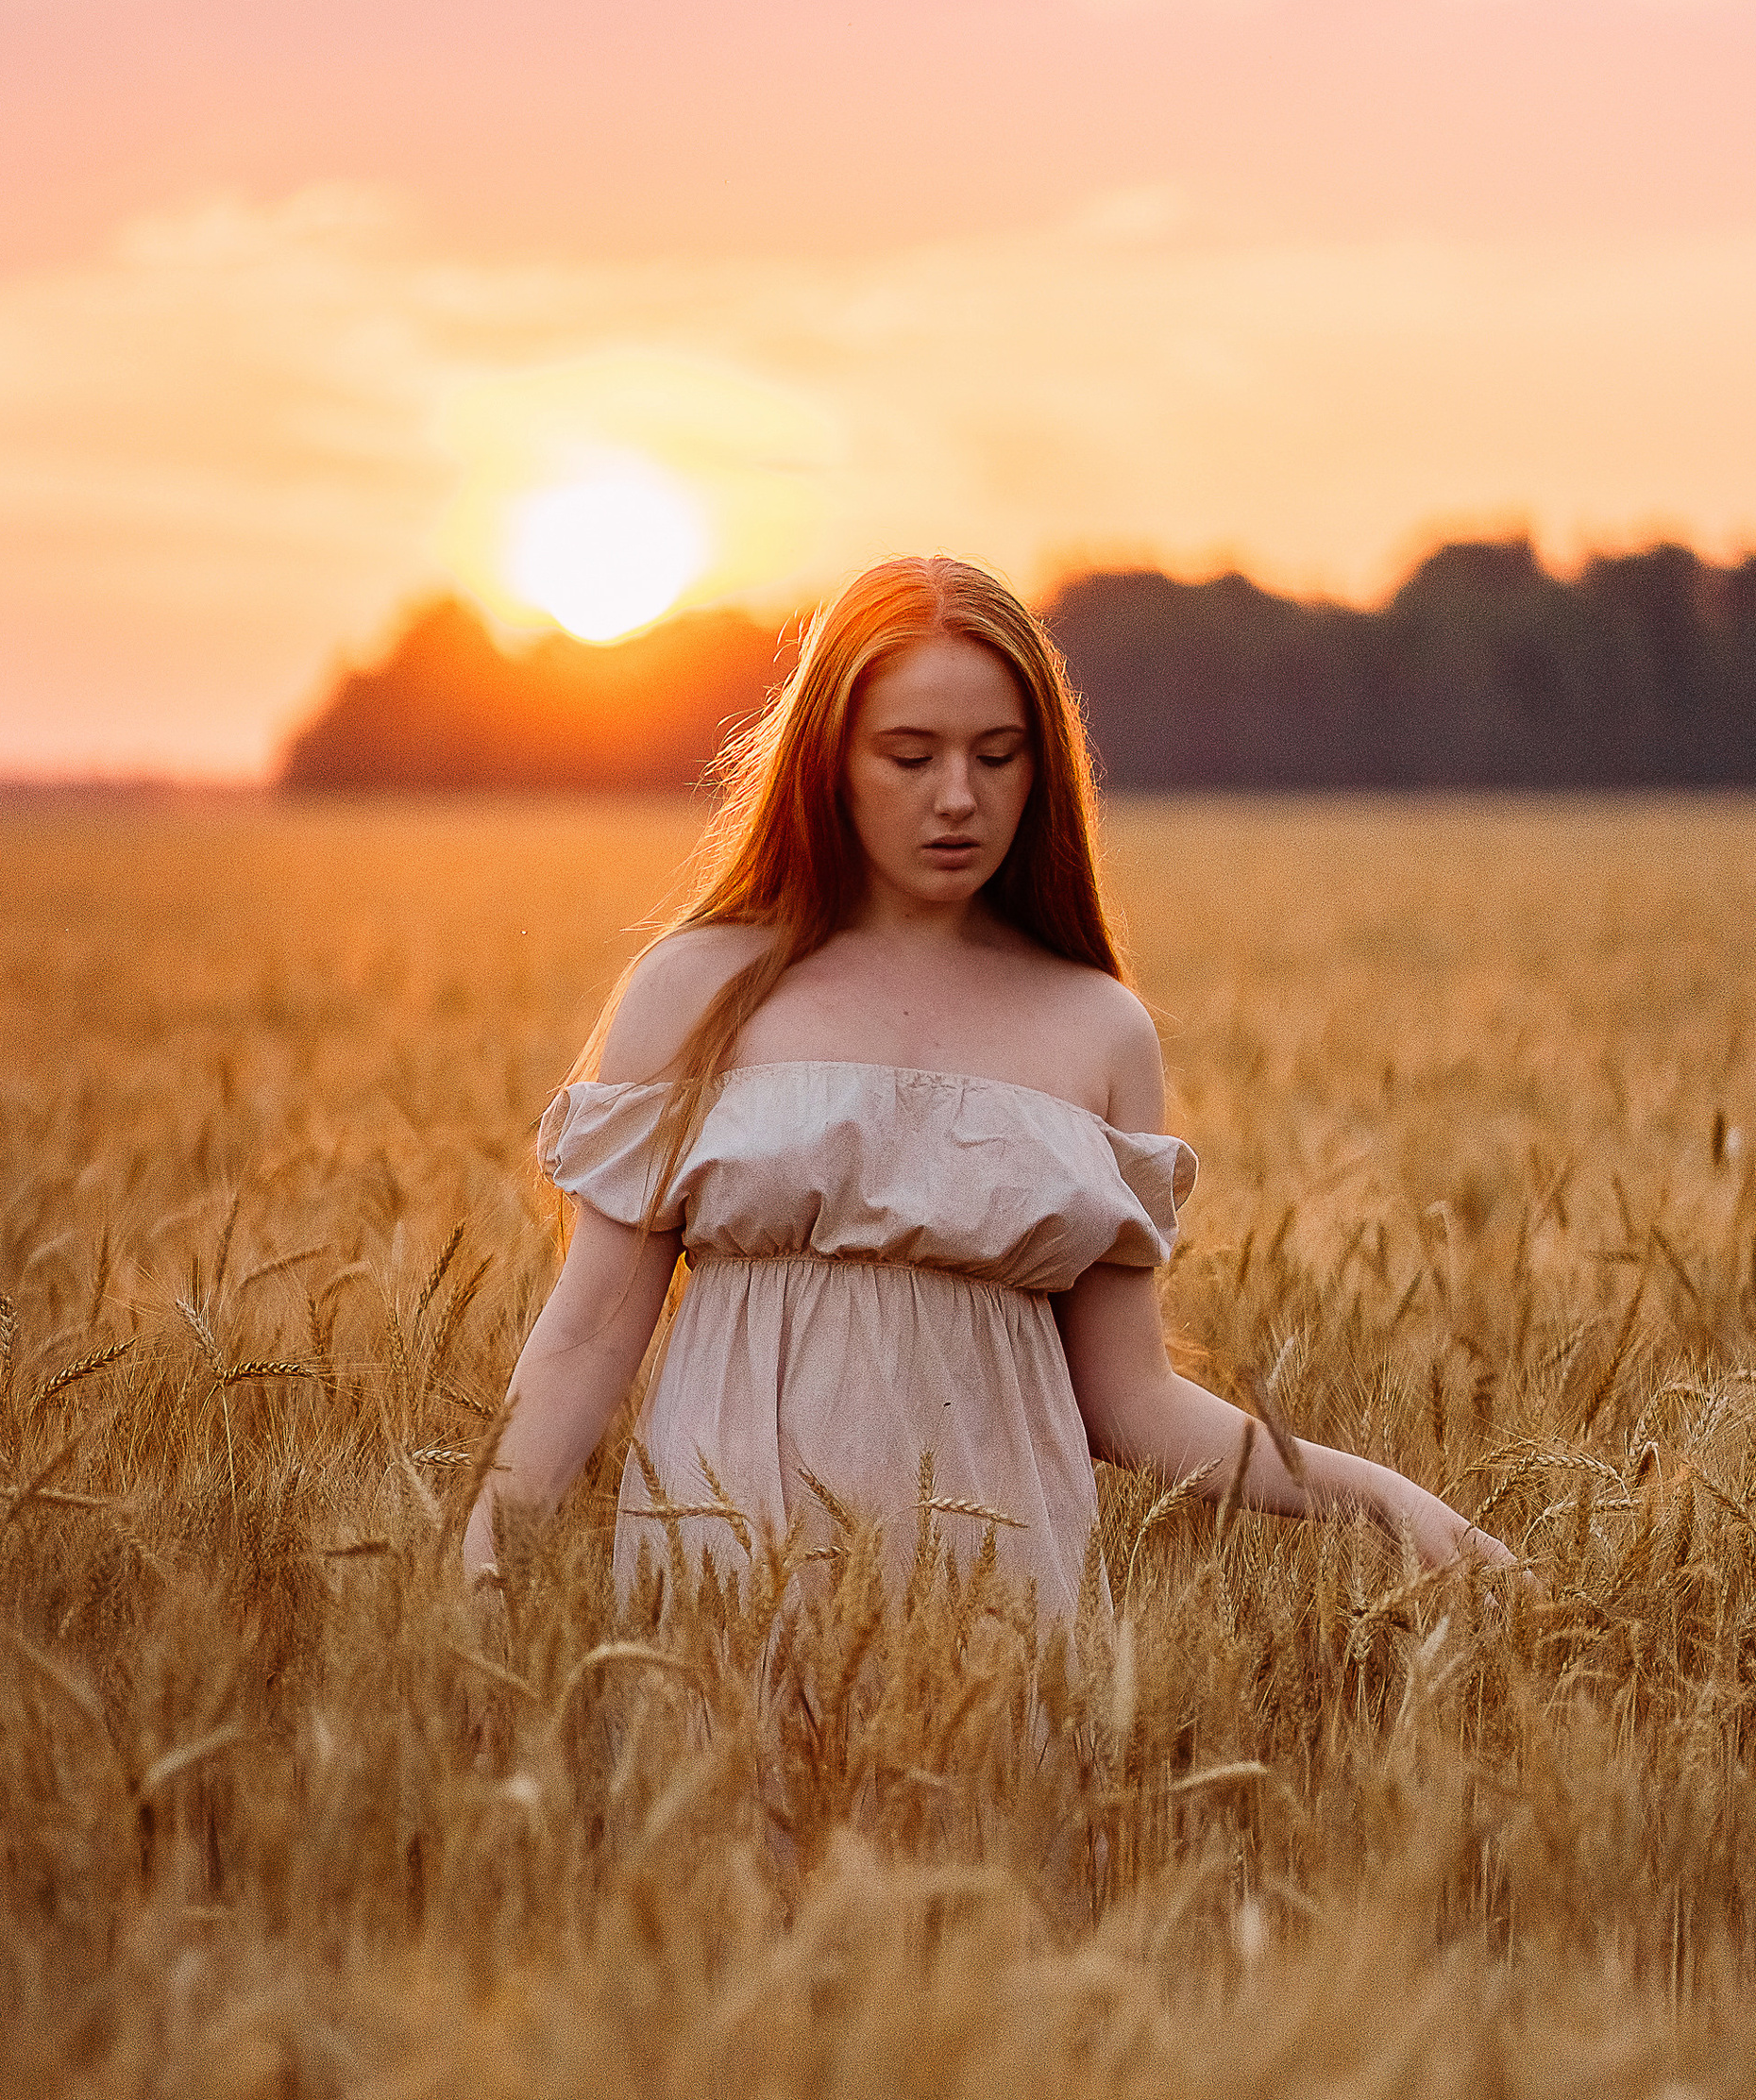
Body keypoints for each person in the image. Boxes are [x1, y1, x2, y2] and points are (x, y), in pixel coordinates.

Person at [463, 555, 1506, 1617]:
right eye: (908, 756)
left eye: (997, 756)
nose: (957, 798)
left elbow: (1129, 1402)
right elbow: (590, 1332)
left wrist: (1386, 1500)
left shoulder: (1097, 1029)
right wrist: (481, 1575)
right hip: (724, 1589)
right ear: (825, 760)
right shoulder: (698, 990)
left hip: (999, 1620)